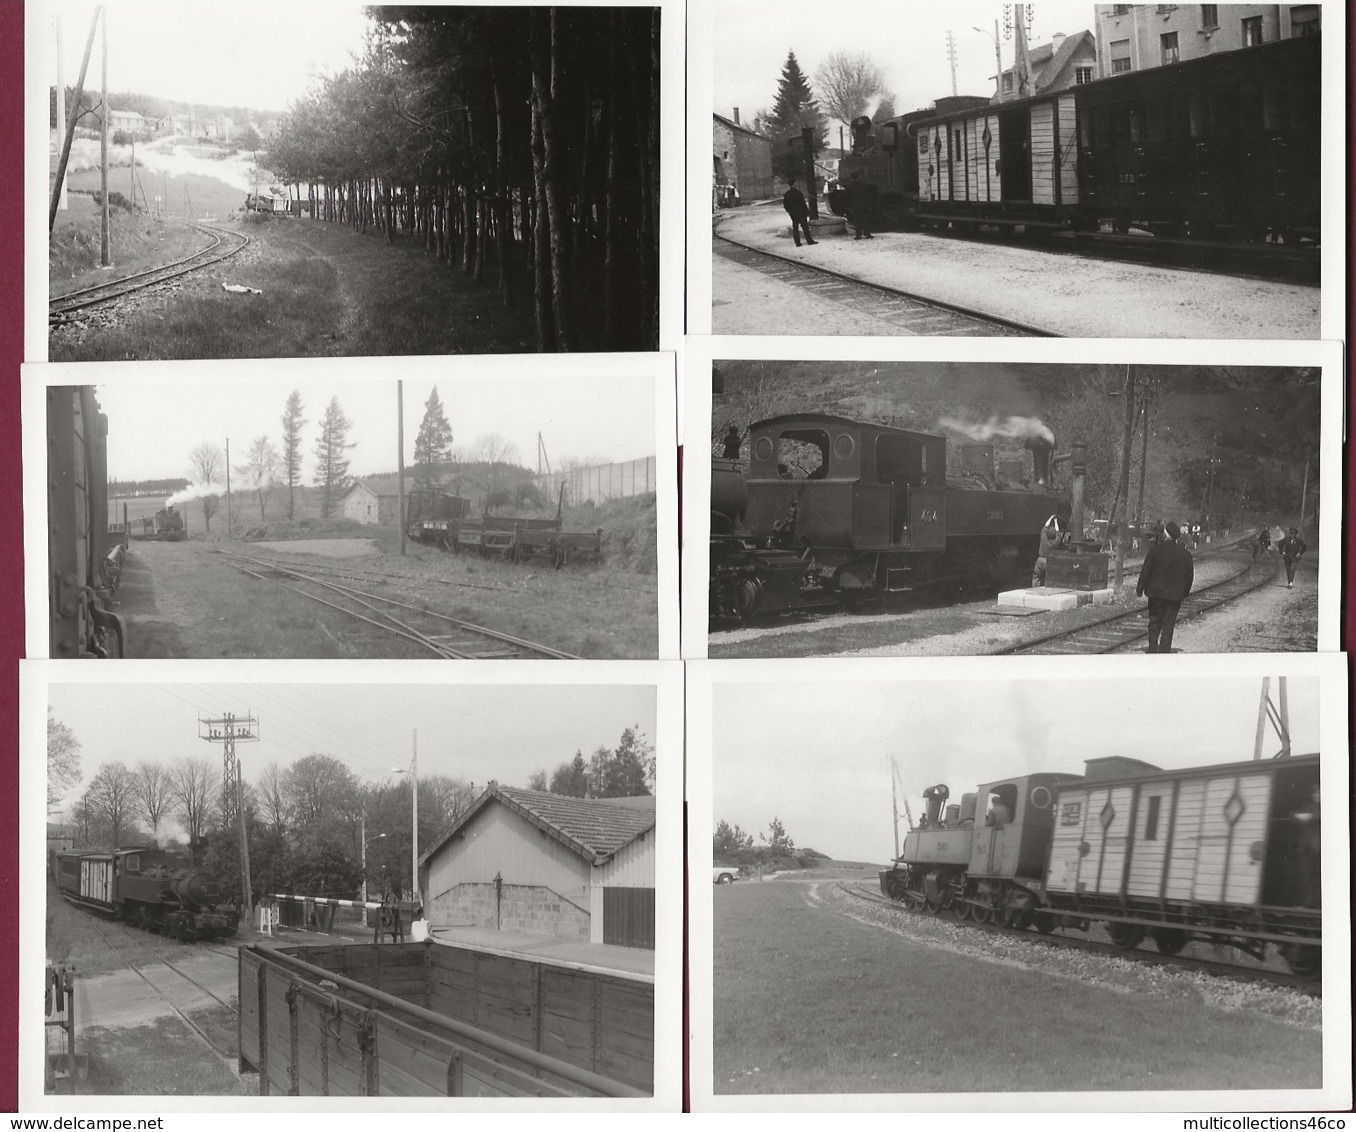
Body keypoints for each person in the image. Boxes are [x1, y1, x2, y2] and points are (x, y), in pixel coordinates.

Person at [1136, 519, 1194, 653]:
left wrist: (1140, 588)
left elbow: (1146, 571)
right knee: (1168, 624)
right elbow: (1189, 577)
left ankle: (1152, 650)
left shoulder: (1155, 551)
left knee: (1154, 622)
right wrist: (1184, 592)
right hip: (1174, 596)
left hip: (1156, 595)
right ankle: (1164, 652)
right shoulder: (1185, 555)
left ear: (1166, 534)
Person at [1031, 516, 1064, 587]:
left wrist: (1051, 518)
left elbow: (1045, 527)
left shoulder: (1043, 538)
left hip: (1040, 561)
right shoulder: (1056, 542)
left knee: (1036, 576)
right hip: (1050, 562)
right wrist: (1055, 522)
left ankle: (1035, 589)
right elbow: (1058, 532)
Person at [782, 178, 816, 247]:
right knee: (805, 227)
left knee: (795, 228)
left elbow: (786, 205)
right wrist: (806, 211)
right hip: (801, 213)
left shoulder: (787, 194)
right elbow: (802, 203)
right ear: (794, 184)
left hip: (793, 214)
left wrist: (790, 212)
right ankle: (809, 240)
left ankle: (797, 242)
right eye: (796, 183)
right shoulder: (798, 193)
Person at [845, 172, 874, 239]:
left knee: (857, 220)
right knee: (865, 220)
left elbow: (846, 197)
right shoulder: (864, 185)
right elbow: (869, 196)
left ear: (851, 178)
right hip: (864, 205)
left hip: (854, 206)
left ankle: (858, 235)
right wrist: (870, 205)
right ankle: (867, 234)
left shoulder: (849, 187)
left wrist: (848, 206)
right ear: (858, 177)